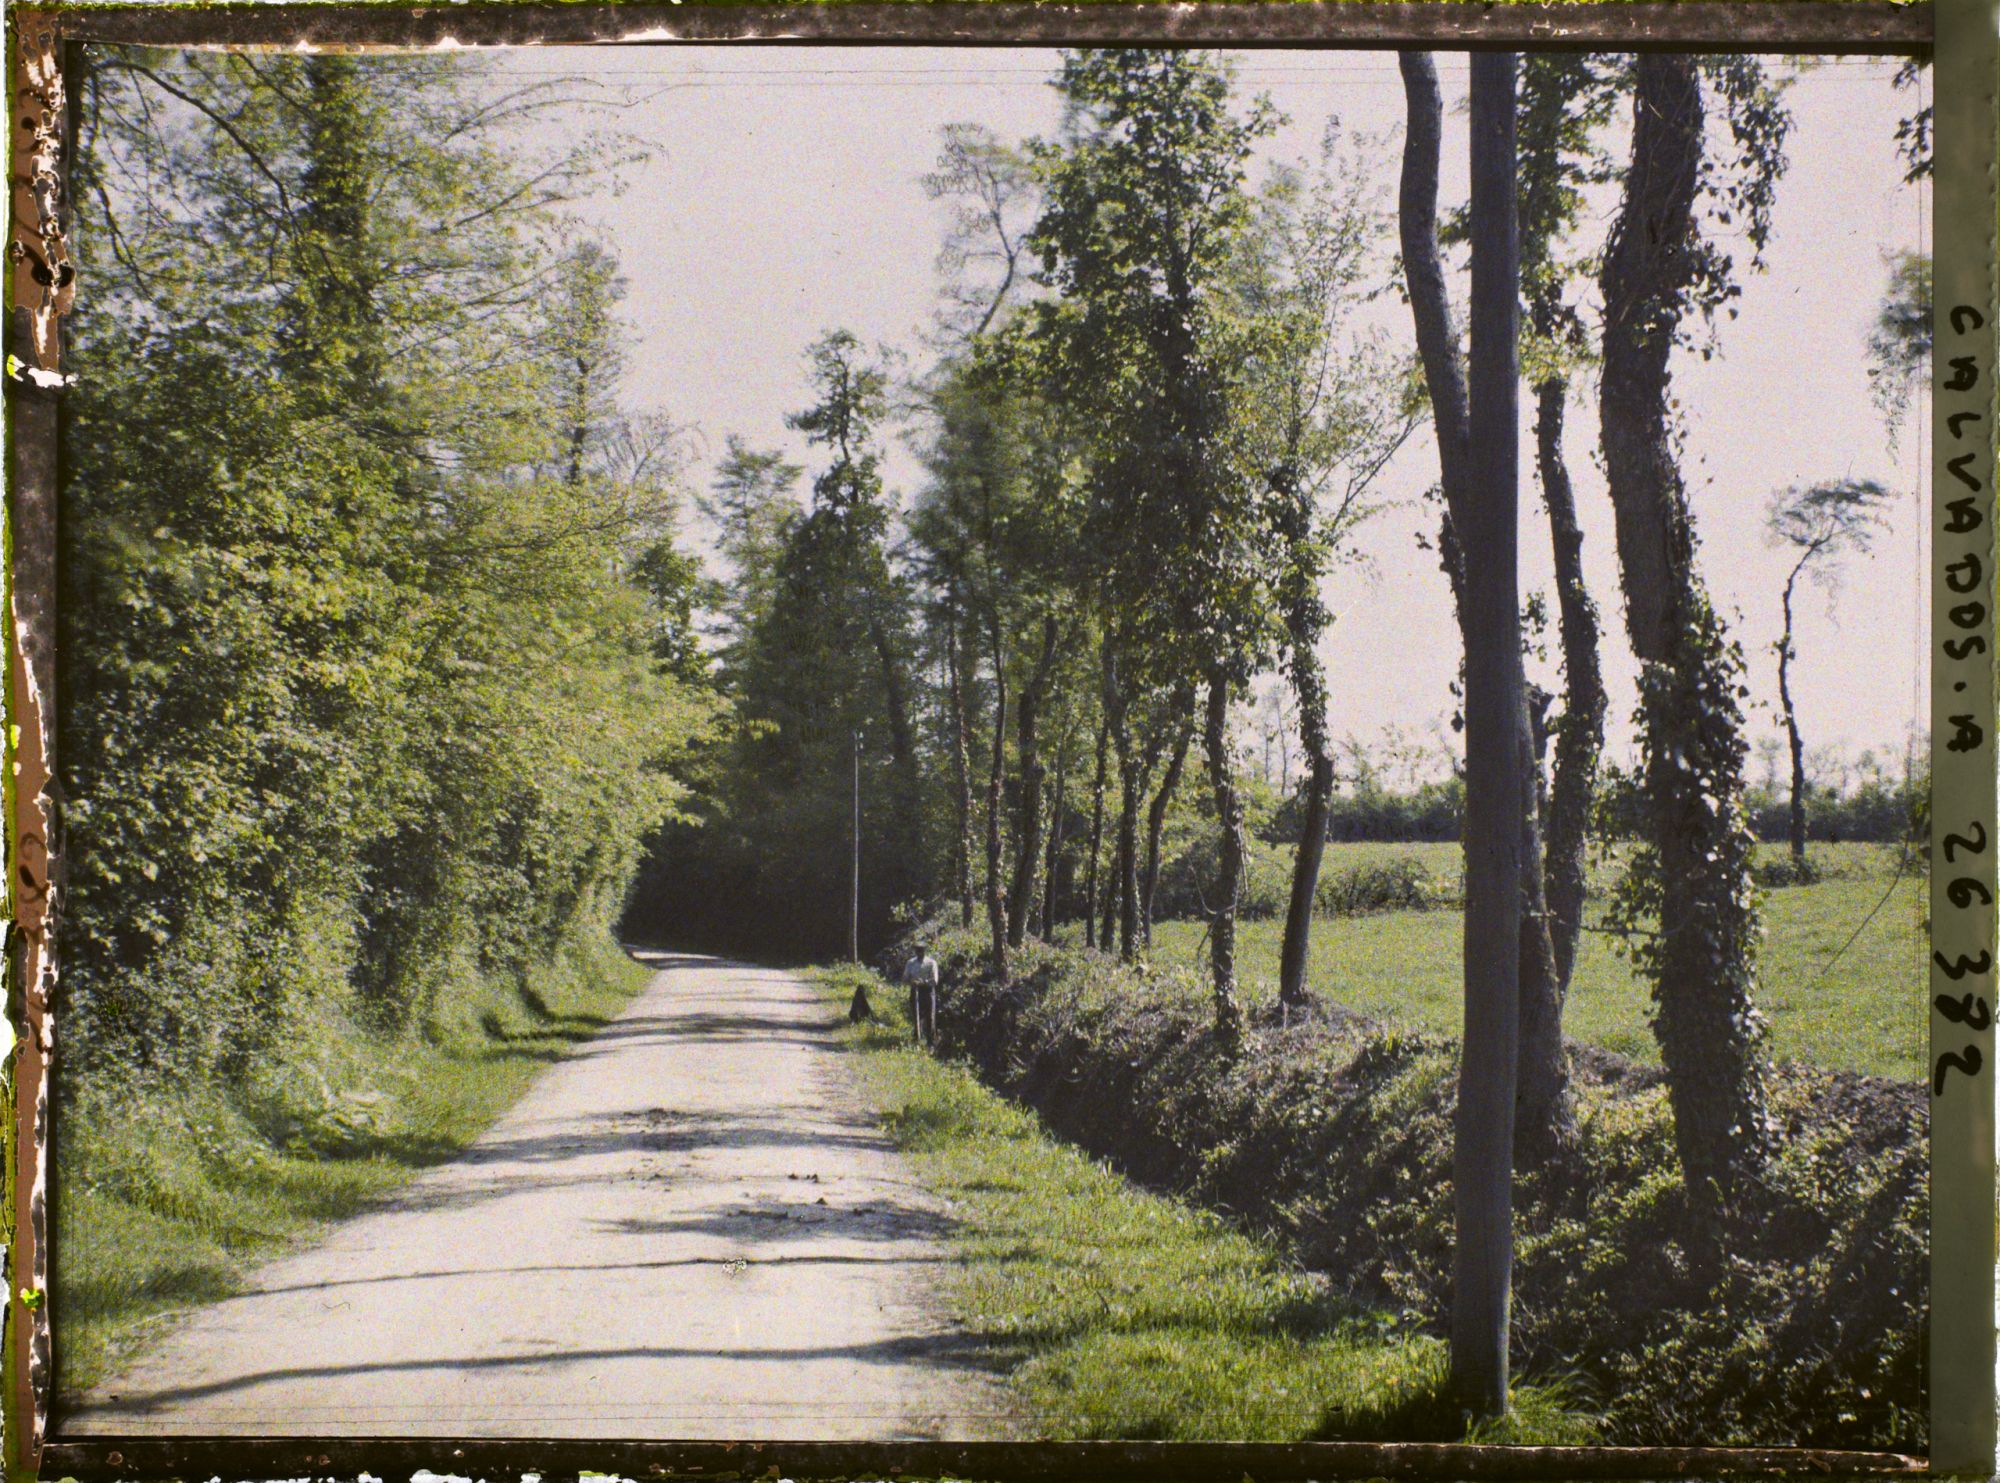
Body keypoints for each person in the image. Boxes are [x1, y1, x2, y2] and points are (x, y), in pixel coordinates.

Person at [902, 944, 941, 1049]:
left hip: (928, 992)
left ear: (925, 951)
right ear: (915, 951)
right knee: (916, 1016)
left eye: (922, 950)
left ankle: (930, 1043)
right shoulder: (910, 963)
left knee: (930, 1017)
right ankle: (916, 1039)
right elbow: (904, 979)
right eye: (918, 950)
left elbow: (935, 980)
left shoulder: (931, 963)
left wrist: (924, 982)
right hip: (915, 991)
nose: (920, 953)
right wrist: (912, 981)